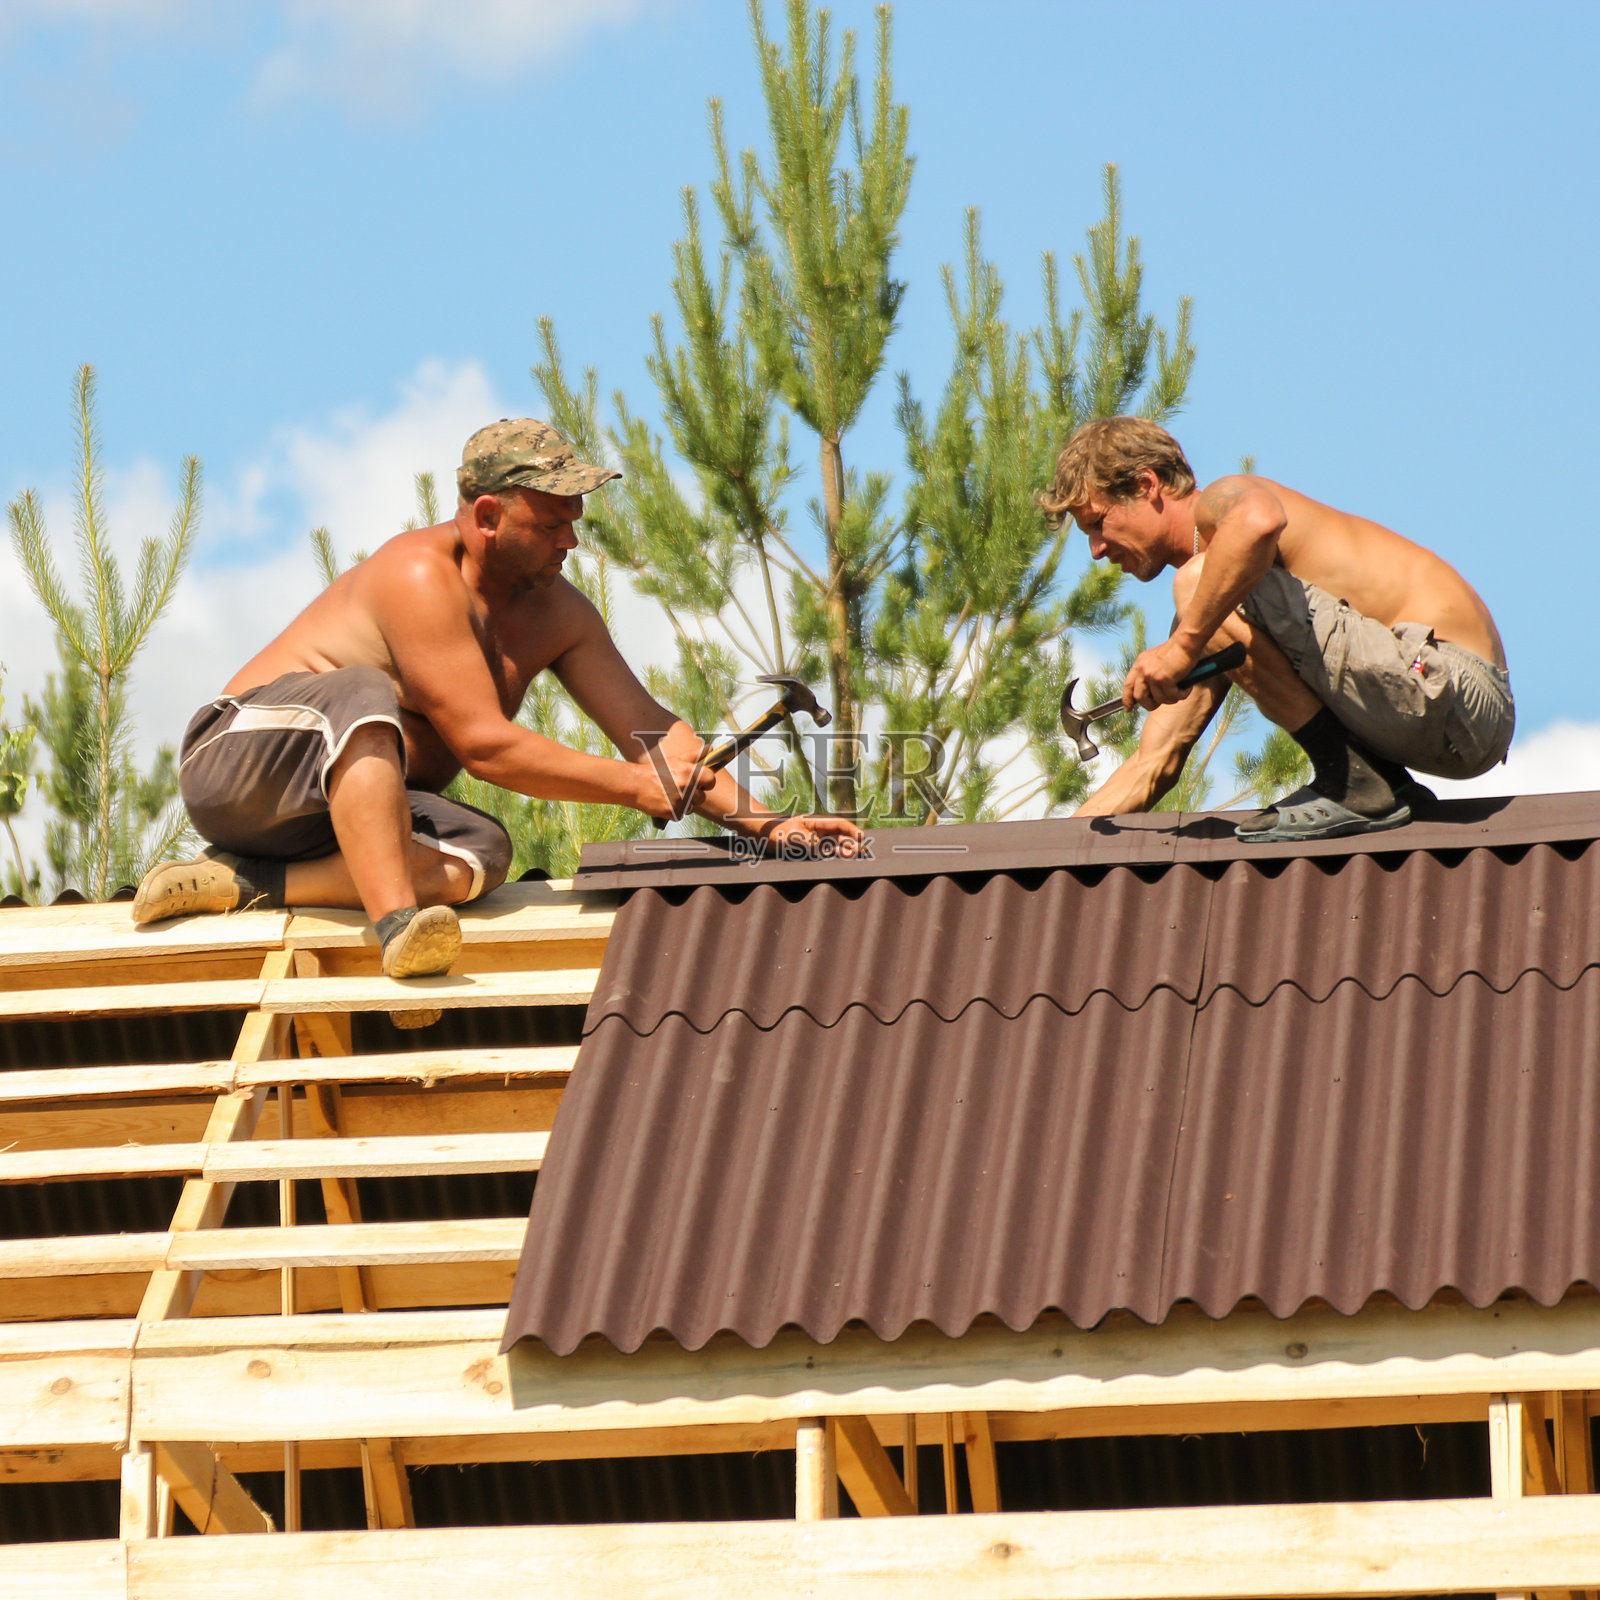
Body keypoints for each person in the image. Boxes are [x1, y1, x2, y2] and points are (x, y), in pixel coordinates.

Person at [133, 418, 862, 985]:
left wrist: (768, 826)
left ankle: (245, 882)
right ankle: (398, 930)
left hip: (322, 823)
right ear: (486, 517)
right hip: (239, 764)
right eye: (550, 523)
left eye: (574, 519)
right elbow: (484, 746)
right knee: (363, 692)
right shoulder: (417, 576)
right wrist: (633, 787)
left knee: (482, 854)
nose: (569, 540)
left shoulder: (559, 614)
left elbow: (656, 739)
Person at [1037, 416, 1513, 840]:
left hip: (1454, 686)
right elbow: (1152, 764)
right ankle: (1364, 779)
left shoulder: (1223, 503)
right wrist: (1045, 853)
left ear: (1146, 485)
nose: (1097, 549)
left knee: (1198, 582)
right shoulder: (1214, 614)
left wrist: (1182, 647)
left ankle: (1350, 781)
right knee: (1201, 595)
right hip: (1434, 723)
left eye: (1098, 523)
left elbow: (1261, 520)